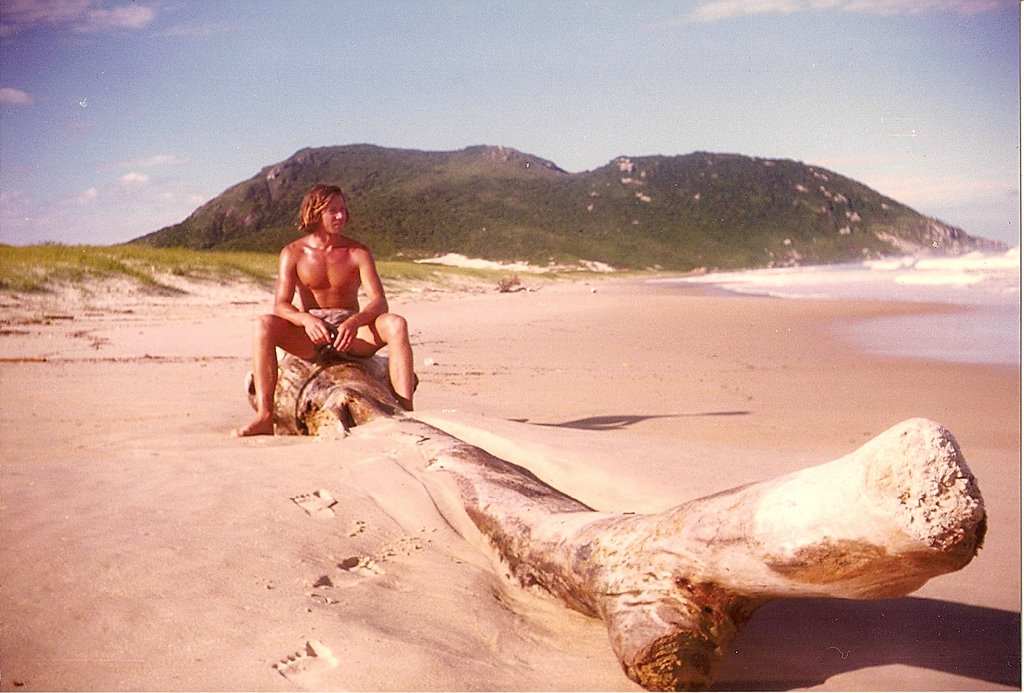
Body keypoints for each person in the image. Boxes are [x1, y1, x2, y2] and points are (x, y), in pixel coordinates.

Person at [234, 184, 415, 436]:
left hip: (350, 334)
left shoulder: (357, 252)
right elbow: (281, 305)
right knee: (263, 324)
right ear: (315, 213)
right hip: (312, 336)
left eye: (342, 210)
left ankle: (407, 411)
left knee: (396, 324)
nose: (341, 216)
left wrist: (354, 323)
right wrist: (305, 319)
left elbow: (379, 301)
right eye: (333, 211)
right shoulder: (293, 253)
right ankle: (264, 417)